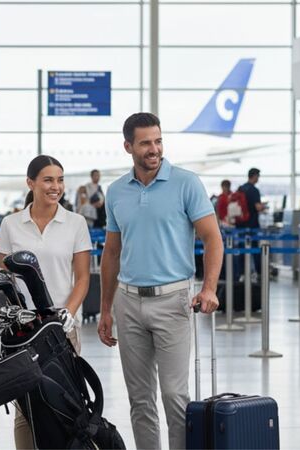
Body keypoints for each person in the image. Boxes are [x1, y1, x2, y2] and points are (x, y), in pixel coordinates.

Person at [98, 112, 223, 450]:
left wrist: (208, 287)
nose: (154, 149)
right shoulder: (116, 192)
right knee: (140, 399)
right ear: (128, 147)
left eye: (158, 141)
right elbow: (111, 252)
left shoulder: (186, 183)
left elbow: (213, 238)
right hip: (128, 302)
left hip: (173, 301)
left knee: (174, 395)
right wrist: (105, 309)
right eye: (145, 143)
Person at [0, 155, 92, 449]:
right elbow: (4, 277)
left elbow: (83, 278)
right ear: (31, 183)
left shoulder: (75, 223)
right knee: (26, 411)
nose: (56, 186)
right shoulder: (11, 224)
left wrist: (68, 313)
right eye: (48, 179)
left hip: (62, 330)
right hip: (24, 332)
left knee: (66, 405)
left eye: (60, 180)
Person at [237, 168, 265, 276]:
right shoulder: (254, 190)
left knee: (241, 248)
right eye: (258, 176)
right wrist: (263, 207)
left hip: (240, 224)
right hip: (252, 224)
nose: (258, 178)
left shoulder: (241, 188)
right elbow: (257, 207)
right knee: (254, 248)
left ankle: (240, 273)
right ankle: (259, 273)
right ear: (254, 176)